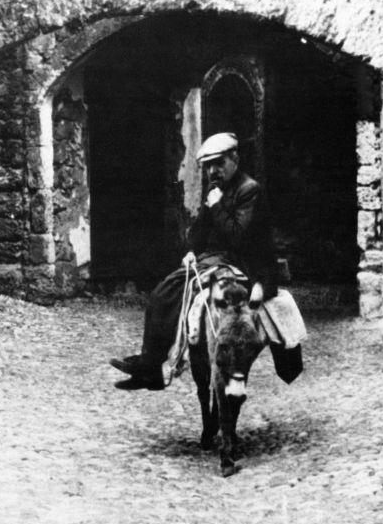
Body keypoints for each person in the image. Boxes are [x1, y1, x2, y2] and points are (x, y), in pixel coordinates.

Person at [110, 132, 278, 390]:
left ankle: (157, 366)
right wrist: (190, 250)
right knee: (161, 294)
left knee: (181, 294)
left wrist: (218, 206)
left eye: (219, 163)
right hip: (213, 258)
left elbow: (238, 237)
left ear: (235, 158)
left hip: (244, 261)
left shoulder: (249, 190)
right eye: (209, 165)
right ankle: (150, 366)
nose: (213, 171)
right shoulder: (216, 190)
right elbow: (200, 229)